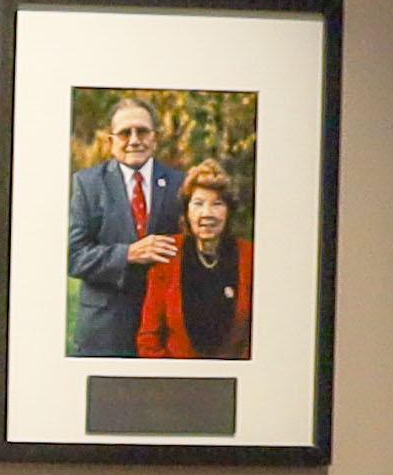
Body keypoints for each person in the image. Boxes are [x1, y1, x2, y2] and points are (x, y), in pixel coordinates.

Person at [63, 95, 177, 360]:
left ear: (155, 138)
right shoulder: (87, 184)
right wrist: (127, 254)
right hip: (105, 330)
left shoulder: (178, 184)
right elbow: (74, 256)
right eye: (125, 133)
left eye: (142, 131)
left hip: (163, 331)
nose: (135, 140)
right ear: (110, 141)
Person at [133, 161, 252, 361]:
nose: (207, 213)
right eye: (198, 203)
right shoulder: (168, 255)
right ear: (187, 211)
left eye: (217, 203)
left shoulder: (250, 257)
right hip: (176, 380)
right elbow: (148, 338)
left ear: (229, 211)